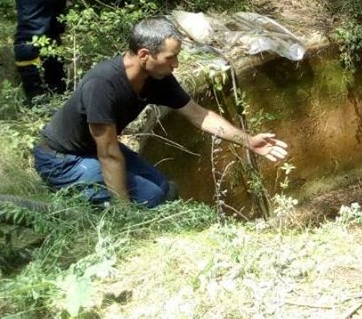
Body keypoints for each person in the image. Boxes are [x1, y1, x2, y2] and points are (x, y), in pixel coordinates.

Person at [32, 17, 289, 207]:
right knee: (150, 198)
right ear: (145, 55)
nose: (175, 64)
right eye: (170, 58)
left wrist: (249, 141)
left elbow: (199, 115)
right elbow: (109, 155)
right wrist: (125, 213)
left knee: (164, 189)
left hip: (92, 150)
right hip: (62, 160)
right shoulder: (103, 85)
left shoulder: (157, 78)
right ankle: (91, 208)